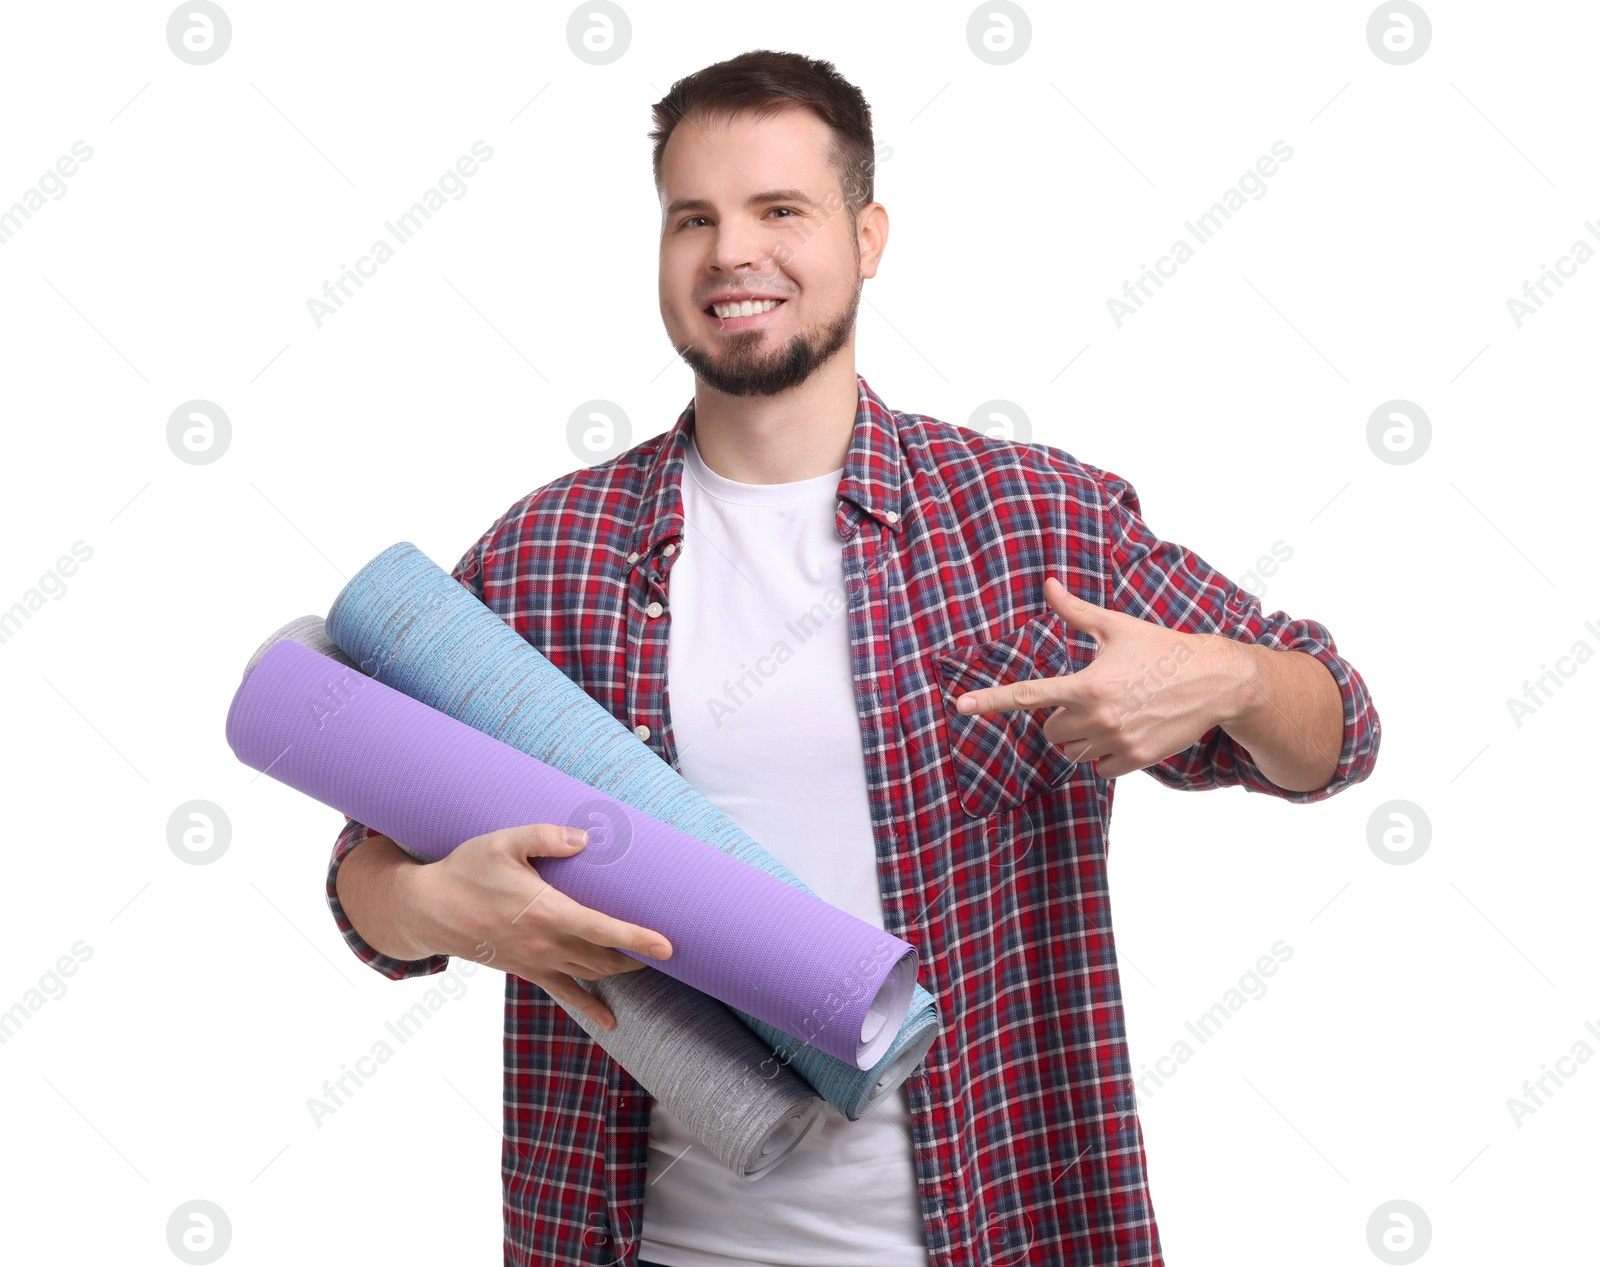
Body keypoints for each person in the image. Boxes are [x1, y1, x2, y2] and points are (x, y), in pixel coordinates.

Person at [326, 48, 1381, 1267]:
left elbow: (1337, 730)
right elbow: (367, 865)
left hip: (990, 1227)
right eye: (694, 219)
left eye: (781, 210)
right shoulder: (545, 554)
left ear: (866, 236)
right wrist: (432, 907)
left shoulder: (1027, 521)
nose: (733, 254)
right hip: (639, 1240)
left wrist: (1236, 680)